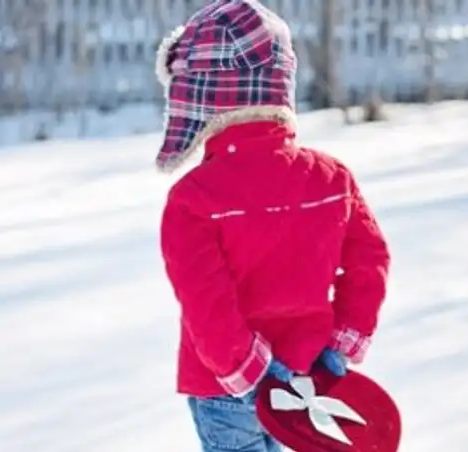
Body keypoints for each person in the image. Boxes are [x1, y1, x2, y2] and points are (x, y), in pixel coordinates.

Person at [154, 1, 391, 451]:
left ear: (200, 95)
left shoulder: (193, 199)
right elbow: (370, 260)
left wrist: (250, 369)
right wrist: (339, 345)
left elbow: (207, 301)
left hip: (226, 388)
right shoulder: (330, 178)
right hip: (306, 378)